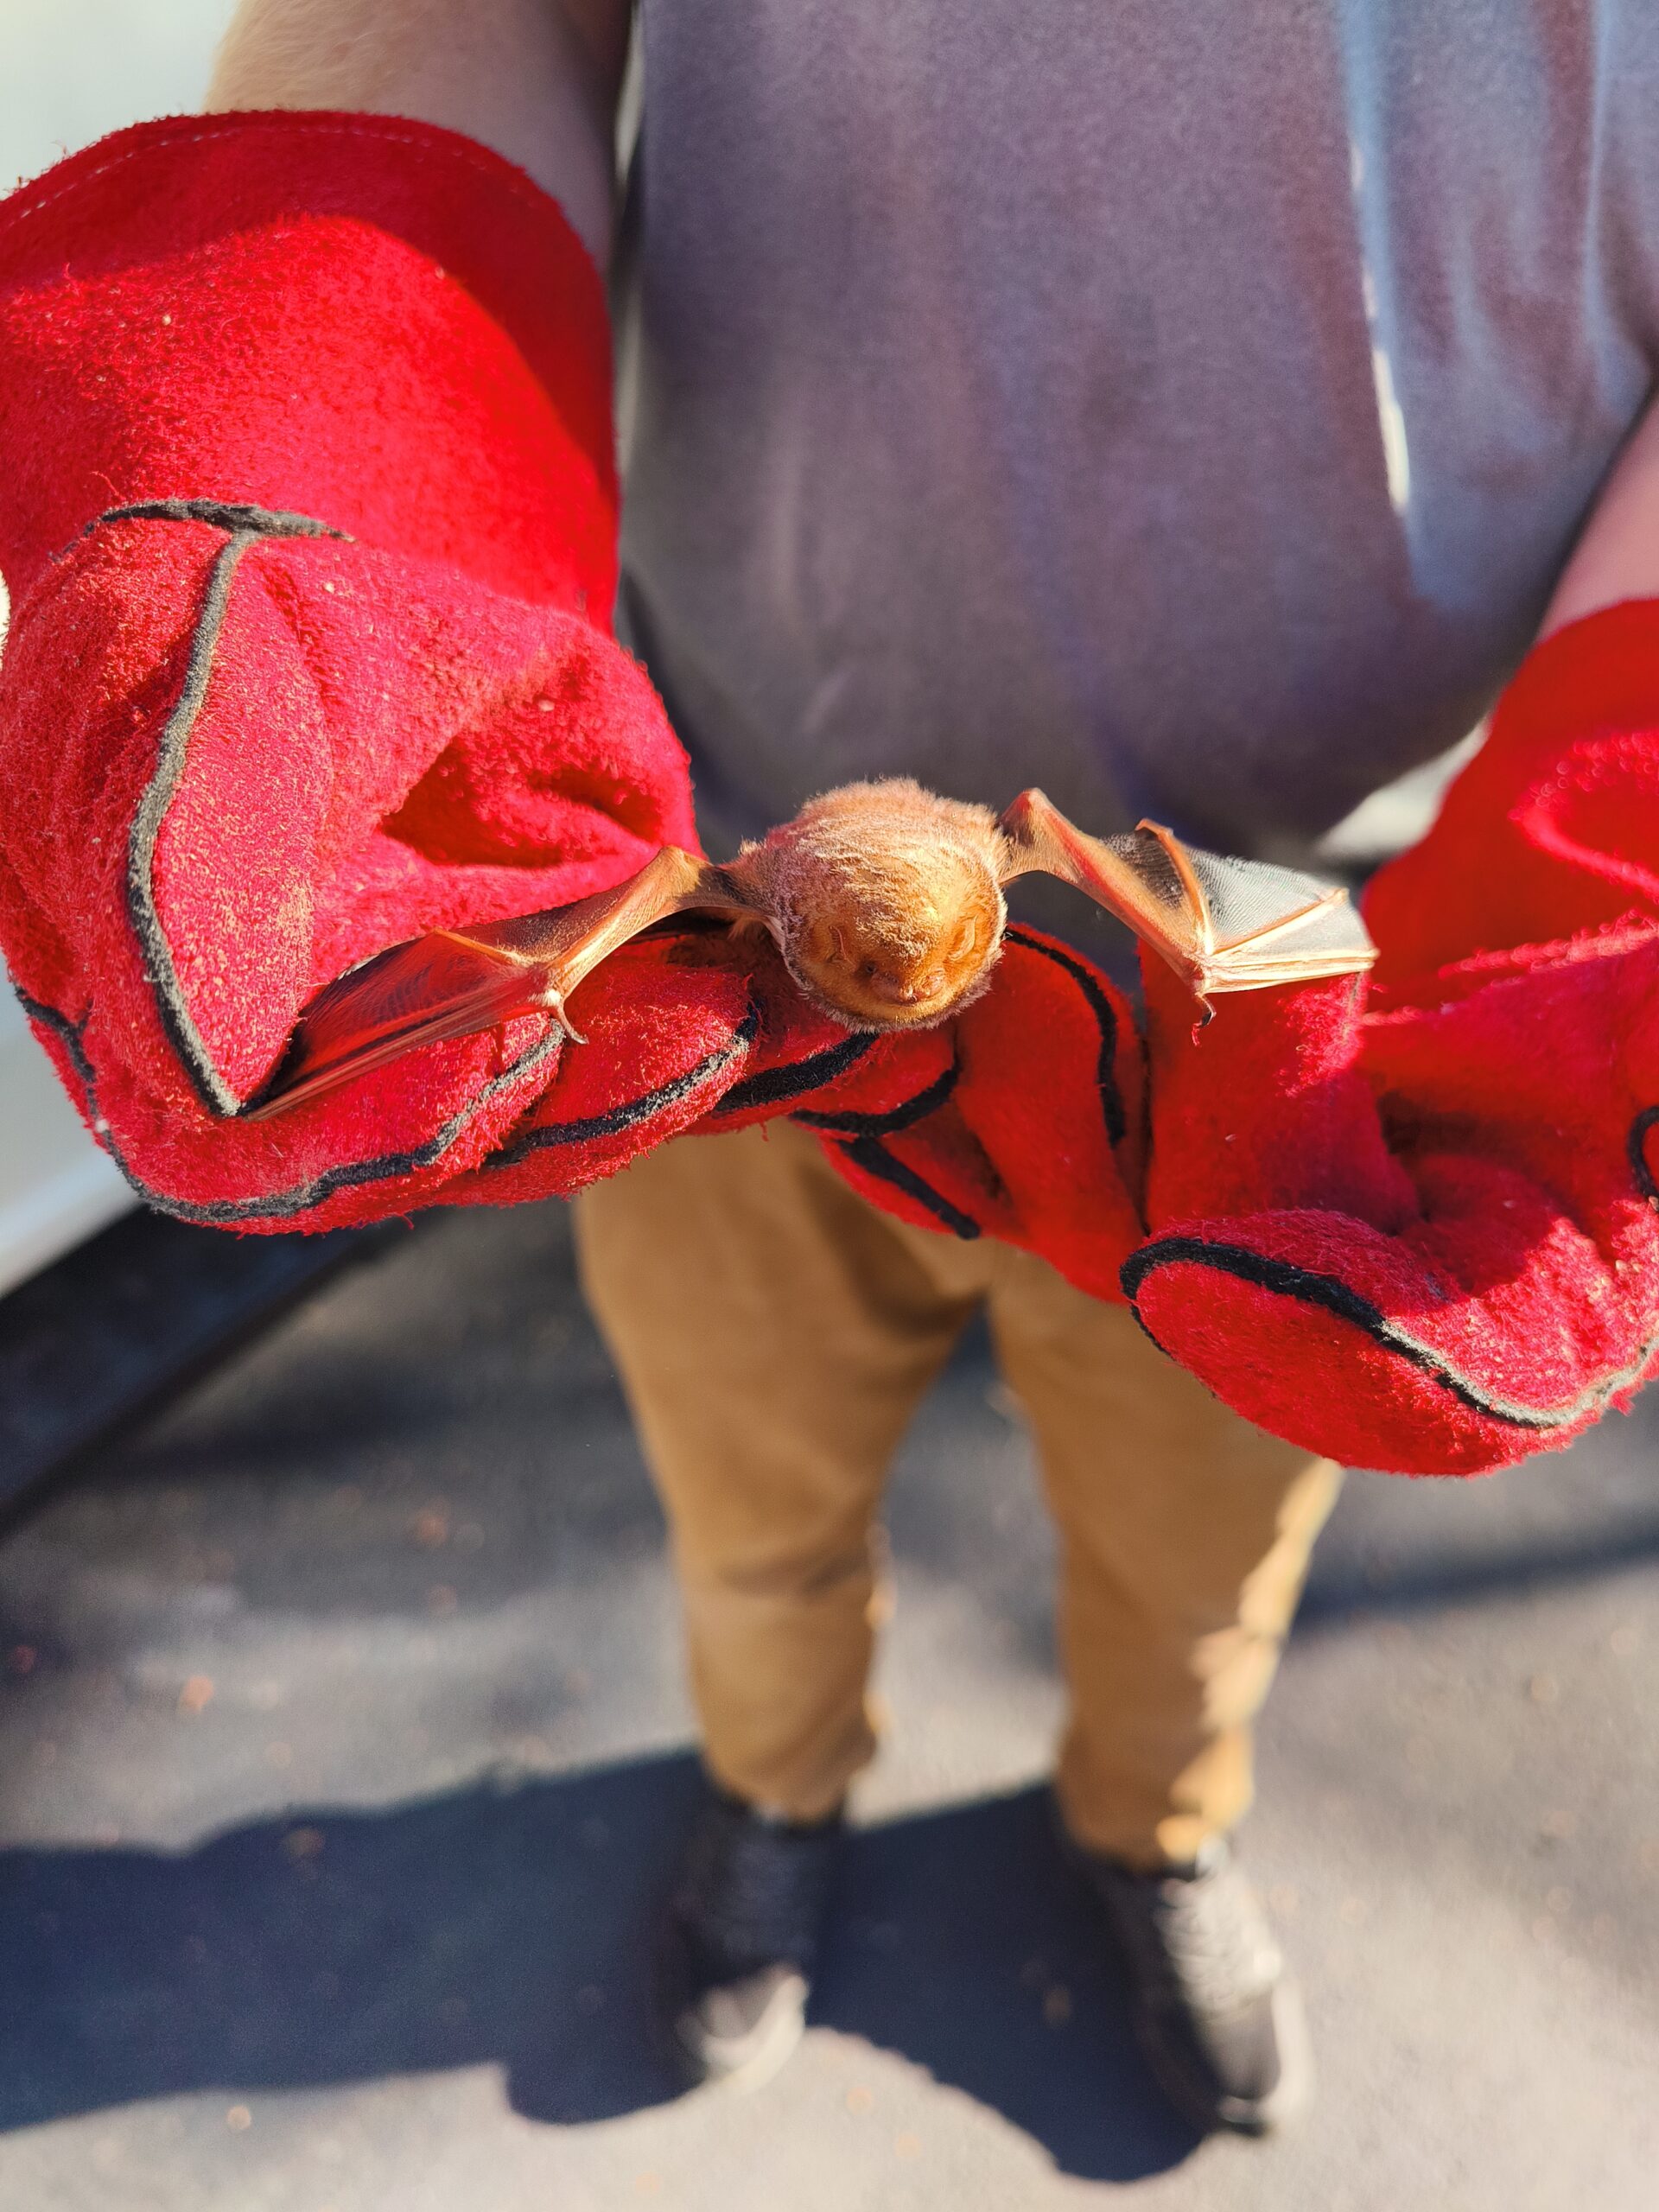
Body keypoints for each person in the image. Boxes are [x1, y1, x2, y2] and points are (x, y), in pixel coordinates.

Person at [19, 0, 1659, 2139]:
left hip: (1290, 1034)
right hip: (699, 972)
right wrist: (355, 440)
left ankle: (1154, 1820)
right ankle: (776, 1790)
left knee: (1204, 1537)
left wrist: (1604, 847)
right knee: (751, 1493)